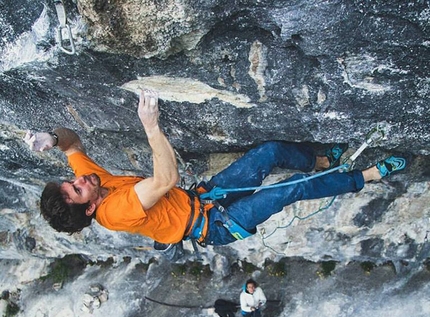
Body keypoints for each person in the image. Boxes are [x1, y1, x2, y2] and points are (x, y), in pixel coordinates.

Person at [24, 90, 407, 257]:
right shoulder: (115, 211)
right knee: (290, 189)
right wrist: (151, 126)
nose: (80, 180)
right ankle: (366, 176)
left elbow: (73, 146)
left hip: (205, 198)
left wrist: (53, 137)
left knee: (269, 152)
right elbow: (164, 180)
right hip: (216, 226)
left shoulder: (94, 184)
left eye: (71, 181)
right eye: (76, 189)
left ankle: (321, 162)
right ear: (88, 210)